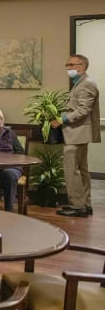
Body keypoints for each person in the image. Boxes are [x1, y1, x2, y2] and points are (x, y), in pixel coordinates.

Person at [51, 54, 100, 217]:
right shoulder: (80, 83)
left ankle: (78, 206)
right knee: (82, 170)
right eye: (67, 65)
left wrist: (63, 119)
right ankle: (84, 204)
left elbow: (83, 109)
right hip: (78, 133)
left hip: (77, 133)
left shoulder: (86, 84)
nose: (68, 68)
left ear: (82, 66)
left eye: (71, 65)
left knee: (72, 170)